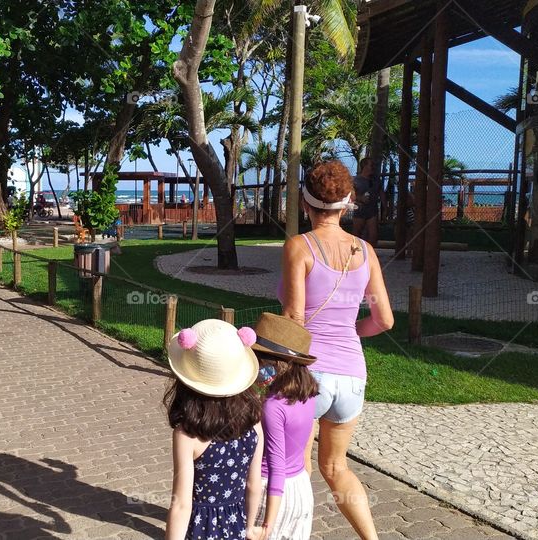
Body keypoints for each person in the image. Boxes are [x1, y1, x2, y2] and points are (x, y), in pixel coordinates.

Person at [281, 160, 393, 540]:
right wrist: (352, 330)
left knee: (298, 466)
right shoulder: (365, 251)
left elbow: (295, 317)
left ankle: (296, 533)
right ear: (347, 204)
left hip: (308, 374)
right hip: (351, 376)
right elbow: (384, 320)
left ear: (304, 204)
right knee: (336, 467)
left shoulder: (299, 246)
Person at [164, 319, 265, 540]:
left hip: (201, 530)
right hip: (236, 525)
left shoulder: (188, 435)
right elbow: (254, 484)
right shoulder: (254, 422)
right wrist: (249, 527)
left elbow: (181, 504)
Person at [249, 313, 320, 540]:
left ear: (278, 365)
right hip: (300, 488)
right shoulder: (307, 395)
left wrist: (268, 524)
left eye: (259, 359)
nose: (255, 365)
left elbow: (276, 466)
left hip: (271, 493)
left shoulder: (272, 407)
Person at [351, 158, 382, 247]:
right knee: (357, 233)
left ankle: (370, 254)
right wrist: (360, 198)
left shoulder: (376, 180)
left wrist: (385, 208)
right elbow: (350, 195)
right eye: (371, 165)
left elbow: (381, 193)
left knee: (373, 234)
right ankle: (353, 253)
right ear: (364, 166)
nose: (373, 167)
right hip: (360, 210)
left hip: (373, 211)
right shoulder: (356, 180)